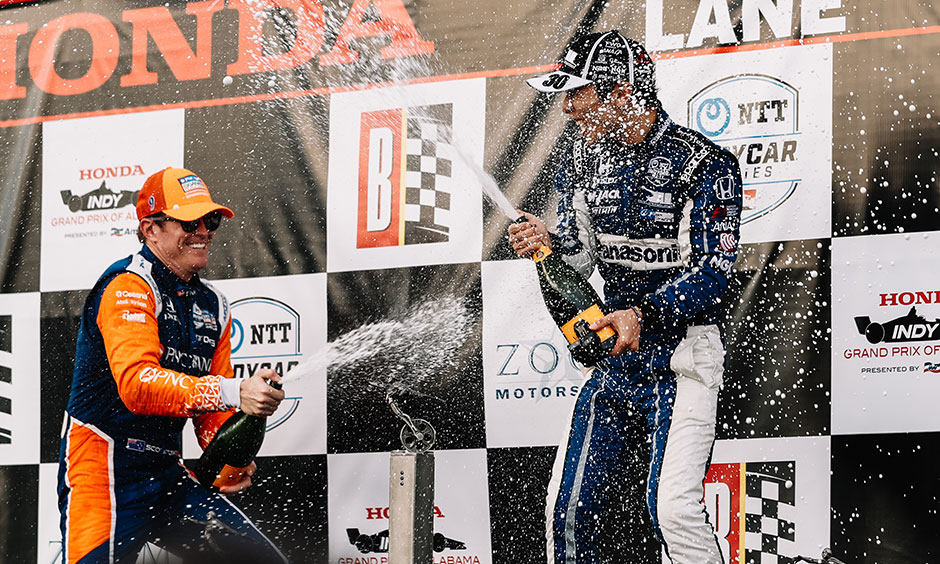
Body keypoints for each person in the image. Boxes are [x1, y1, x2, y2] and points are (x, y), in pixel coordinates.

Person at [508, 31, 743, 564]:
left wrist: (646, 311)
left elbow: (715, 272)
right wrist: (546, 247)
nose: (566, 108)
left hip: (683, 358)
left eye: (577, 93)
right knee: (568, 509)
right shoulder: (587, 159)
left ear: (620, 92)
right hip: (617, 361)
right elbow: (577, 258)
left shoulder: (704, 163)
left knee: (674, 513)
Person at [57, 167, 288, 564]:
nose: (204, 231)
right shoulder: (127, 285)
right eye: (189, 221)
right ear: (151, 230)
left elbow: (213, 407)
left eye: (210, 220)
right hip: (104, 469)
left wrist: (230, 455)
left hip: (166, 471)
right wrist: (235, 391)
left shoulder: (214, 304)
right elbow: (138, 385)